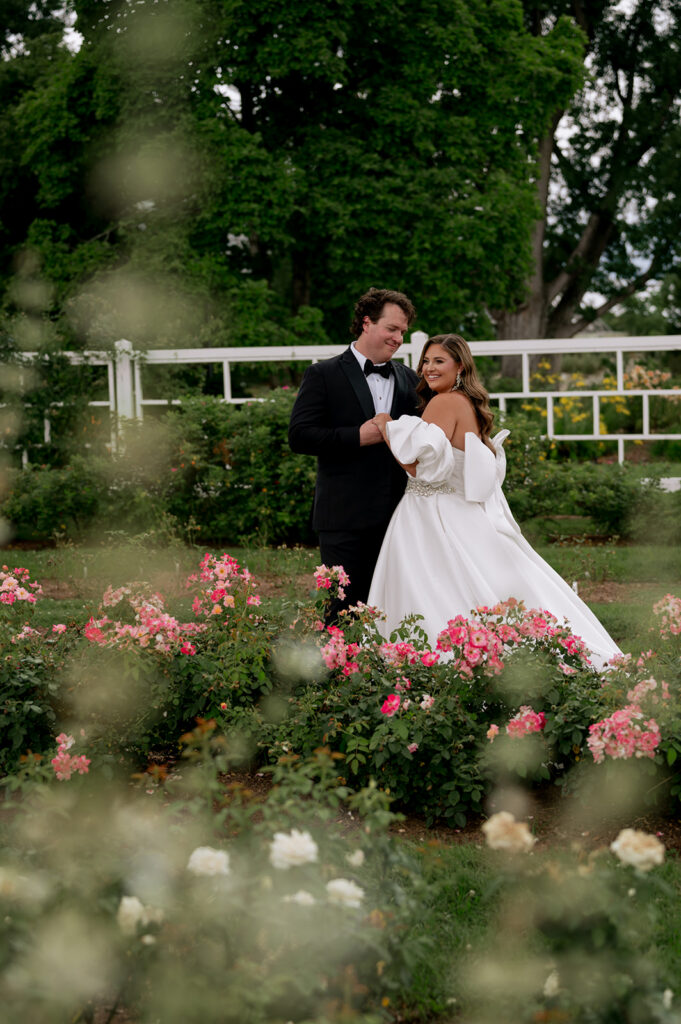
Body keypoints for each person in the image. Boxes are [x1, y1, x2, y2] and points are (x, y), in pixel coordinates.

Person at [367, 334, 622, 669]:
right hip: (460, 511)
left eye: (439, 361)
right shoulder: (466, 403)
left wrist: (387, 427)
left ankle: (426, 666)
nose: (428, 368)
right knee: (473, 587)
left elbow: (420, 470)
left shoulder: (443, 402)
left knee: (430, 590)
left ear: (460, 366)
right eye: (426, 361)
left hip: (428, 515)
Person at [288, 288, 420, 619]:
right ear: (366, 323)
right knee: (339, 610)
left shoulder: (410, 379)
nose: (398, 338)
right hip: (342, 516)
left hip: (398, 515)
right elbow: (300, 436)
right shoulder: (324, 374)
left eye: (403, 331)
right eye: (392, 328)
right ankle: (334, 671)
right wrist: (356, 437)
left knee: (392, 610)